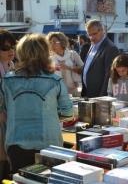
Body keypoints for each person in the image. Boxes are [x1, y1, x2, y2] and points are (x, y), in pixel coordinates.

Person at [0, 33, 73, 173]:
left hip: (16, 143)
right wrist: (50, 112)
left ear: (21, 53)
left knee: (21, 180)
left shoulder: (7, 81)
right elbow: (68, 112)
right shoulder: (54, 80)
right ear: (45, 53)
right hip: (49, 143)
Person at [82, 19, 119, 98]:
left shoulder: (110, 48)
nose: (92, 37)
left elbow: (109, 76)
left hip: (99, 96)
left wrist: (102, 97)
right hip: (88, 93)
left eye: (94, 34)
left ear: (102, 30)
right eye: (89, 35)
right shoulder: (93, 45)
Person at [0, 29, 16, 181]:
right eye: (5, 47)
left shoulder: (11, 65)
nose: (11, 50)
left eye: (12, 46)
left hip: (9, 119)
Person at [47, 32, 84, 96]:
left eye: (54, 42)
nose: (52, 44)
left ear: (62, 42)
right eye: (50, 42)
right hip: (57, 92)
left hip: (74, 91)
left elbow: (83, 70)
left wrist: (69, 68)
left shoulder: (73, 54)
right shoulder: (49, 59)